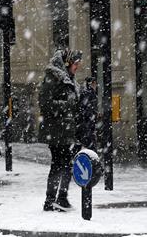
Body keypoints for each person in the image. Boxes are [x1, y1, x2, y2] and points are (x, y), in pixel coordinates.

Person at [38, 48, 81, 212]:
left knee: (66, 164)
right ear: (67, 63)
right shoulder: (53, 78)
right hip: (56, 129)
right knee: (58, 164)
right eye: (75, 64)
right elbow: (45, 103)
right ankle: (51, 200)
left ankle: (60, 198)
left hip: (67, 129)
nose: (77, 67)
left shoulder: (69, 78)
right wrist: (66, 106)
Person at [78, 77, 99, 151]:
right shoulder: (88, 92)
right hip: (87, 124)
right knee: (90, 145)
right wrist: (92, 115)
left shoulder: (89, 92)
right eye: (94, 83)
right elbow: (85, 108)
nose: (95, 85)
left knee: (90, 144)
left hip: (88, 124)